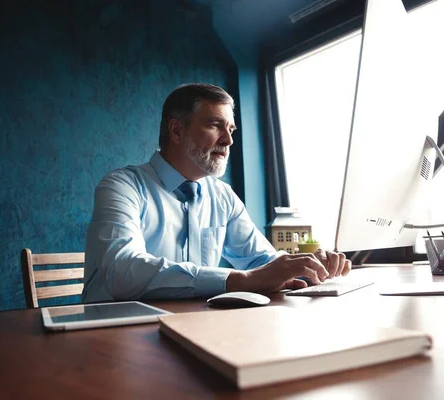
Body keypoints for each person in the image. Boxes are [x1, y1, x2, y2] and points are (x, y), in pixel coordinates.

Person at [81, 83, 351, 303]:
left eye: (231, 129)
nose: (229, 140)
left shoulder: (223, 196)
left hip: (191, 327)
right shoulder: (122, 186)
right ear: (177, 130)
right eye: (215, 125)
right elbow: (122, 270)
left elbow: (263, 261)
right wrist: (239, 280)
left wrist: (303, 266)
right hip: (112, 334)